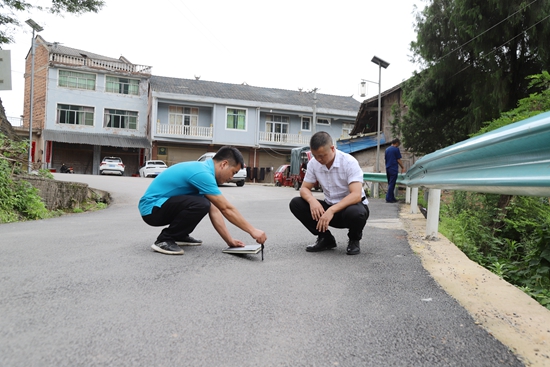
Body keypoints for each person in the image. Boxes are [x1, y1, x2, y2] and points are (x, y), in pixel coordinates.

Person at [138, 146, 267, 255]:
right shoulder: (202, 173)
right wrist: (253, 231)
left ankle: (179, 235)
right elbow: (226, 208)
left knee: (204, 204)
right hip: (152, 209)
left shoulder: (205, 171)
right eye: (233, 172)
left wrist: (229, 241)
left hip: (160, 207)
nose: (231, 177)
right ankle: (165, 239)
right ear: (224, 164)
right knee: (200, 204)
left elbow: (215, 209)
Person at [289, 131, 369, 255]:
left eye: (322, 155)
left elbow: (356, 195)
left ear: (332, 148)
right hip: (329, 207)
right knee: (296, 203)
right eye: (315, 156)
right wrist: (312, 201)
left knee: (356, 213)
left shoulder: (349, 162)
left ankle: (354, 240)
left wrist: (331, 210)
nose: (319, 159)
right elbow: (304, 189)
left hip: (349, 210)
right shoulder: (314, 164)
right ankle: (325, 239)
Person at [384, 138, 405, 203]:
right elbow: (398, 160)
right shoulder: (396, 149)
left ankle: (392, 197)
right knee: (392, 183)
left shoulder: (387, 149)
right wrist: (403, 167)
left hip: (388, 168)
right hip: (393, 168)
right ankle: (388, 198)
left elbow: (386, 159)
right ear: (396, 143)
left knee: (390, 183)